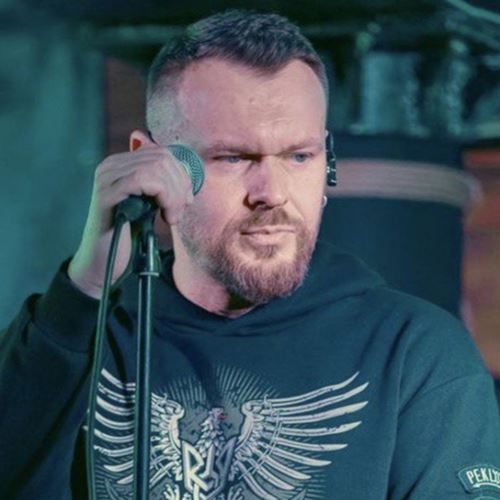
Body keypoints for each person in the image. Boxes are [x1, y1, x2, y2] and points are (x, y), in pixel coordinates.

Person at [1, 9, 499, 500]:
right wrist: (84, 292)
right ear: (149, 160)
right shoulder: (87, 341)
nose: (272, 193)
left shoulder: (414, 352)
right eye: (234, 157)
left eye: (299, 156)